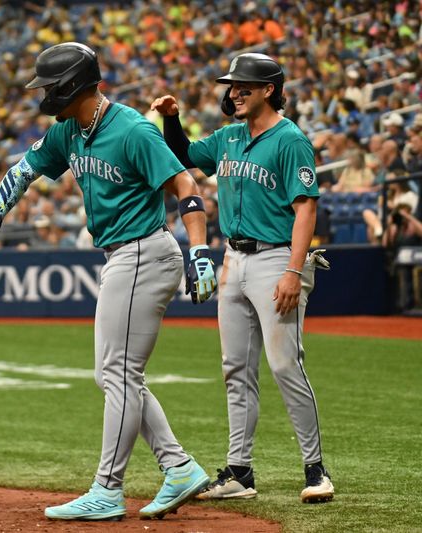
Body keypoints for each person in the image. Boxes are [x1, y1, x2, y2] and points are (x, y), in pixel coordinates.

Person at [0, 42, 217, 521]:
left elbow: (186, 186)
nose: (44, 95)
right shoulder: (69, 130)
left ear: (73, 85)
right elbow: (22, 172)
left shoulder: (133, 129)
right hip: (124, 255)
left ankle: (108, 489)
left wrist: (200, 250)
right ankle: (178, 467)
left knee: (117, 374)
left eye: (50, 86)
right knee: (115, 374)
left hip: (145, 251)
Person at [152, 52, 335, 503]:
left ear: (268, 89)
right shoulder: (230, 136)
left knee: (284, 365)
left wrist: (295, 269)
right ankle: (239, 472)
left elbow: (305, 208)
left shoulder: (290, 140)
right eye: (231, 86)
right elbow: (186, 156)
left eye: (242, 86)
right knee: (235, 369)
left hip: (276, 259)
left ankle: (316, 471)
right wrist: (173, 120)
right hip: (233, 258)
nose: (233, 92)